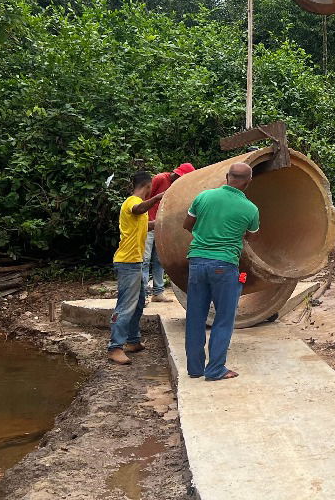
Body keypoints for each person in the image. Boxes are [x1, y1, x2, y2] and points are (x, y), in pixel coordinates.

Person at [181, 161, 259, 381]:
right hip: (224, 266)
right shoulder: (250, 209)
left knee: (195, 317)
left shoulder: (203, 197)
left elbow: (188, 224)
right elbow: (251, 237)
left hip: (196, 262)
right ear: (248, 182)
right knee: (223, 319)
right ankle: (215, 369)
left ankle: (195, 369)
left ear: (227, 176)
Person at [108, 171, 168, 366]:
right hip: (128, 263)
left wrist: (163, 223)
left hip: (136, 262)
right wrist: (157, 198)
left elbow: (145, 225)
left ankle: (132, 341)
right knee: (126, 306)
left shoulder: (139, 210)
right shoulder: (131, 202)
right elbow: (138, 209)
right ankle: (115, 347)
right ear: (149, 186)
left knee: (139, 303)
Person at [142, 162, 196, 302]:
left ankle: (158, 292)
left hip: (162, 226)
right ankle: (143, 294)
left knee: (160, 260)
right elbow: (144, 198)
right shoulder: (161, 178)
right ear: (176, 174)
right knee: (145, 260)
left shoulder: (179, 186)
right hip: (148, 224)